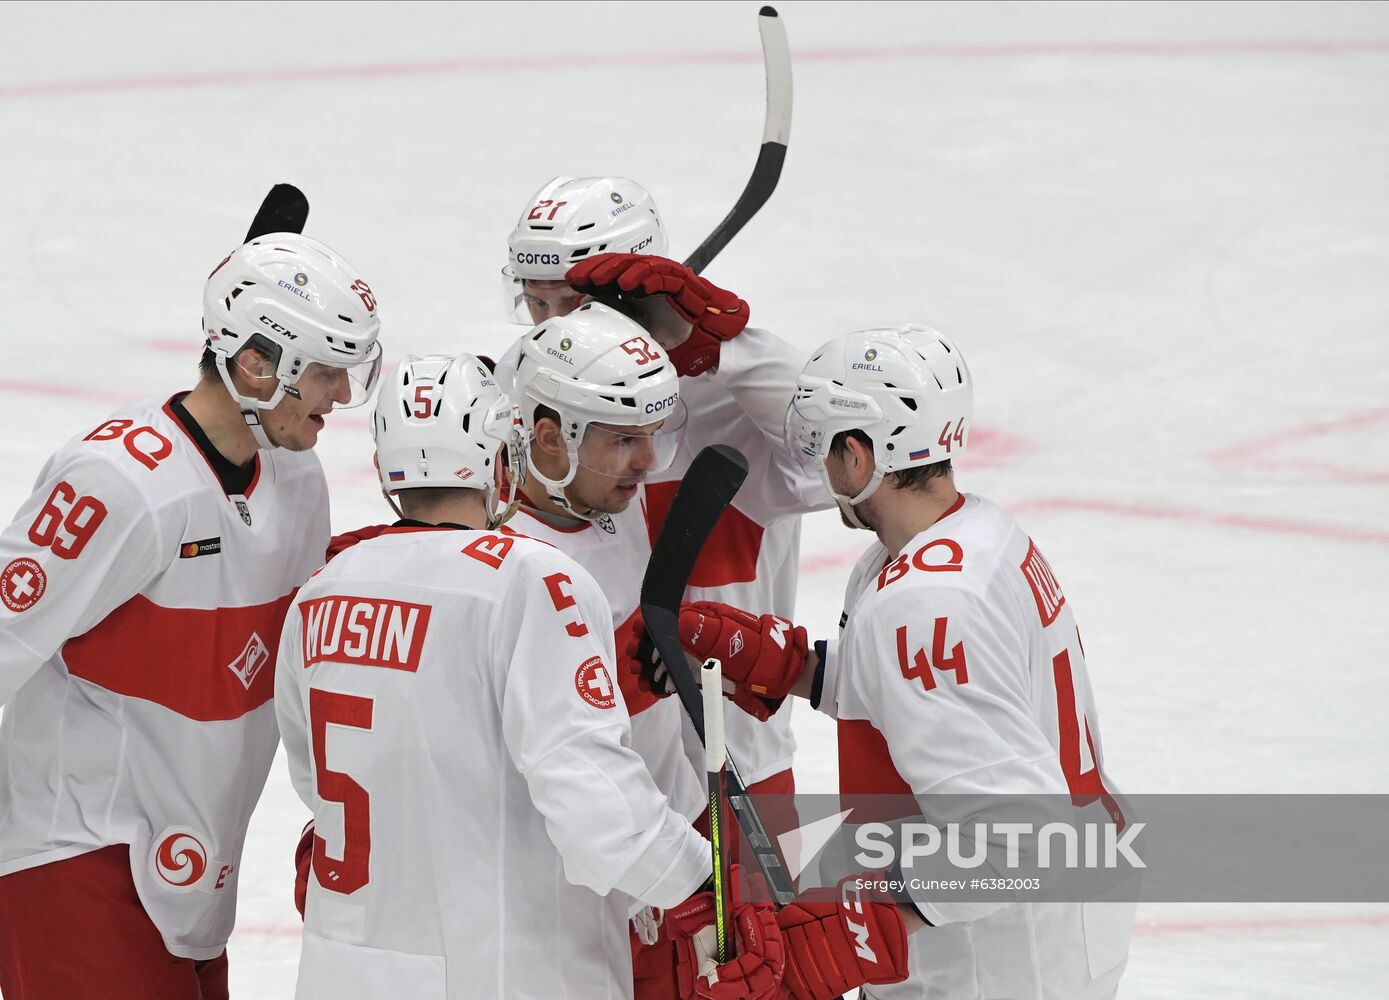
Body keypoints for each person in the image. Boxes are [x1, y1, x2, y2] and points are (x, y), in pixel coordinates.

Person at [274, 353, 784, 1000]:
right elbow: (590, 794)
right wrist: (705, 892)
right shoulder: (530, 576)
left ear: (384, 467)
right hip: (504, 968)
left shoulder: (321, 591)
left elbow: (318, 785)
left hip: (344, 967)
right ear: (497, 456)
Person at [658, 326, 1136, 998]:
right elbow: (919, 697)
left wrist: (857, 928)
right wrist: (788, 667)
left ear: (857, 456)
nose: (816, 468)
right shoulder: (970, 536)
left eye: (819, 445)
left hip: (997, 963)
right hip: (1038, 930)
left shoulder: (924, 602)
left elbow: (1019, 840)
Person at [0, 232, 384, 999]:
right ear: (254, 363)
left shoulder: (297, 476)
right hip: (79, 857)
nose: (342, 396)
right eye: (326, 371)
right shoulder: (119, 484)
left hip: (195, 869)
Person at [501, 174, 824, 842]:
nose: (554, 329)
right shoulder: (521, 388)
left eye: (571, 302)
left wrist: (723, 351)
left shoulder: (732, 396)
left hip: (733, 772)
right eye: (536, 304)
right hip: (581, 777)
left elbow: (845, 467)